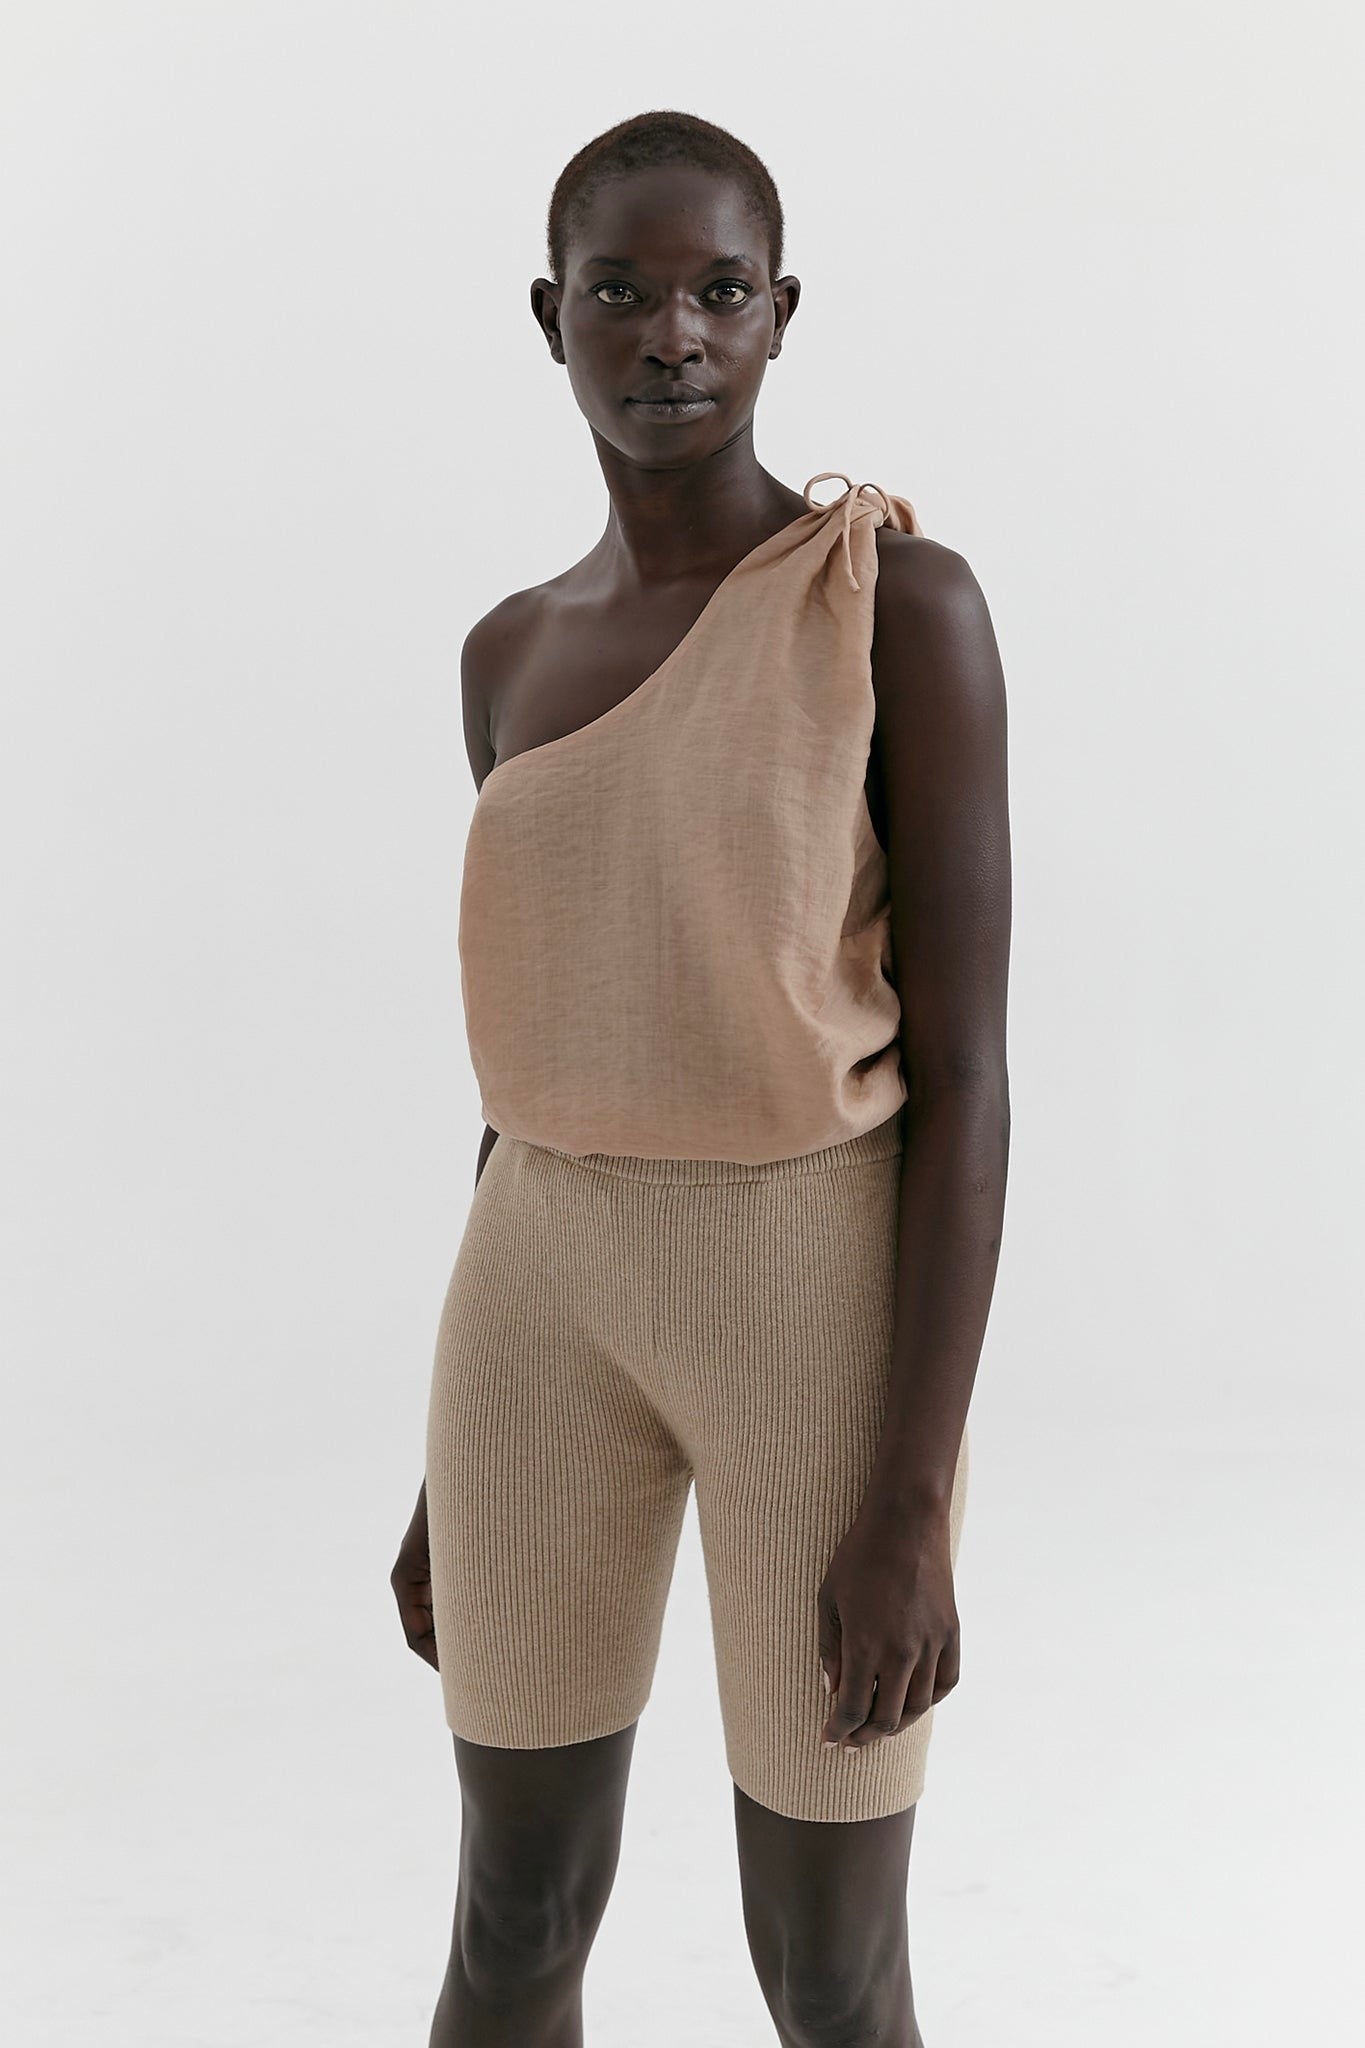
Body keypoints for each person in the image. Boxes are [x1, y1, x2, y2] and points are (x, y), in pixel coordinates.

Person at [390, 108, 1011, 2048]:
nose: (669, 333)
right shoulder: (507, 654)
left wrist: (911, 1500)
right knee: (511, 1915)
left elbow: (969, 1075)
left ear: (777, 316)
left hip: (804, 1292)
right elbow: (545, 1034)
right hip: (533, 1284)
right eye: (621, 292)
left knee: (827, 1969)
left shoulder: (894, 605)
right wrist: (447, 1464)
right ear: (548, 317)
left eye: (716, 291)